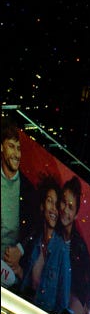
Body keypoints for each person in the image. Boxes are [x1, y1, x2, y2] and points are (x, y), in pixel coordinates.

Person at [19, 178, 71, 314]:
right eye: (49, 201)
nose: (54, 208)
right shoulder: (34, 242)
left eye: (56, 204)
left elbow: (63, 302)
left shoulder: (62, 250)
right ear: (42, 206)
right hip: (23, 312)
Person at [57, 177, 90, 314]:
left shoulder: (79, 244)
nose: (65, 210)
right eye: (63, 203)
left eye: (70, 207)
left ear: (76, 214)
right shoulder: (51, 227)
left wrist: (83, 304)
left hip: (72, 300)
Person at [1, 120, 34, 290]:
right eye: (11, 146)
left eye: (18, 148)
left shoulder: (28, 189)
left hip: (10, 274)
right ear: (1, 148)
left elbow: (34, 227)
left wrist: (20, 250)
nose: (16, 153)